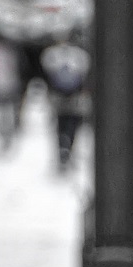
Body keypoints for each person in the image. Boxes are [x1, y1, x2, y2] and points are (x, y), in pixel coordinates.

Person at [41, 39, 90, 171]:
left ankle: (63, 148)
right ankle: (66, 148)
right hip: (72, 96)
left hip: (61, 96)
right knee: (70, 124)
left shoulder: (53, 54)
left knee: (62, 123)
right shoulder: (80, 55)